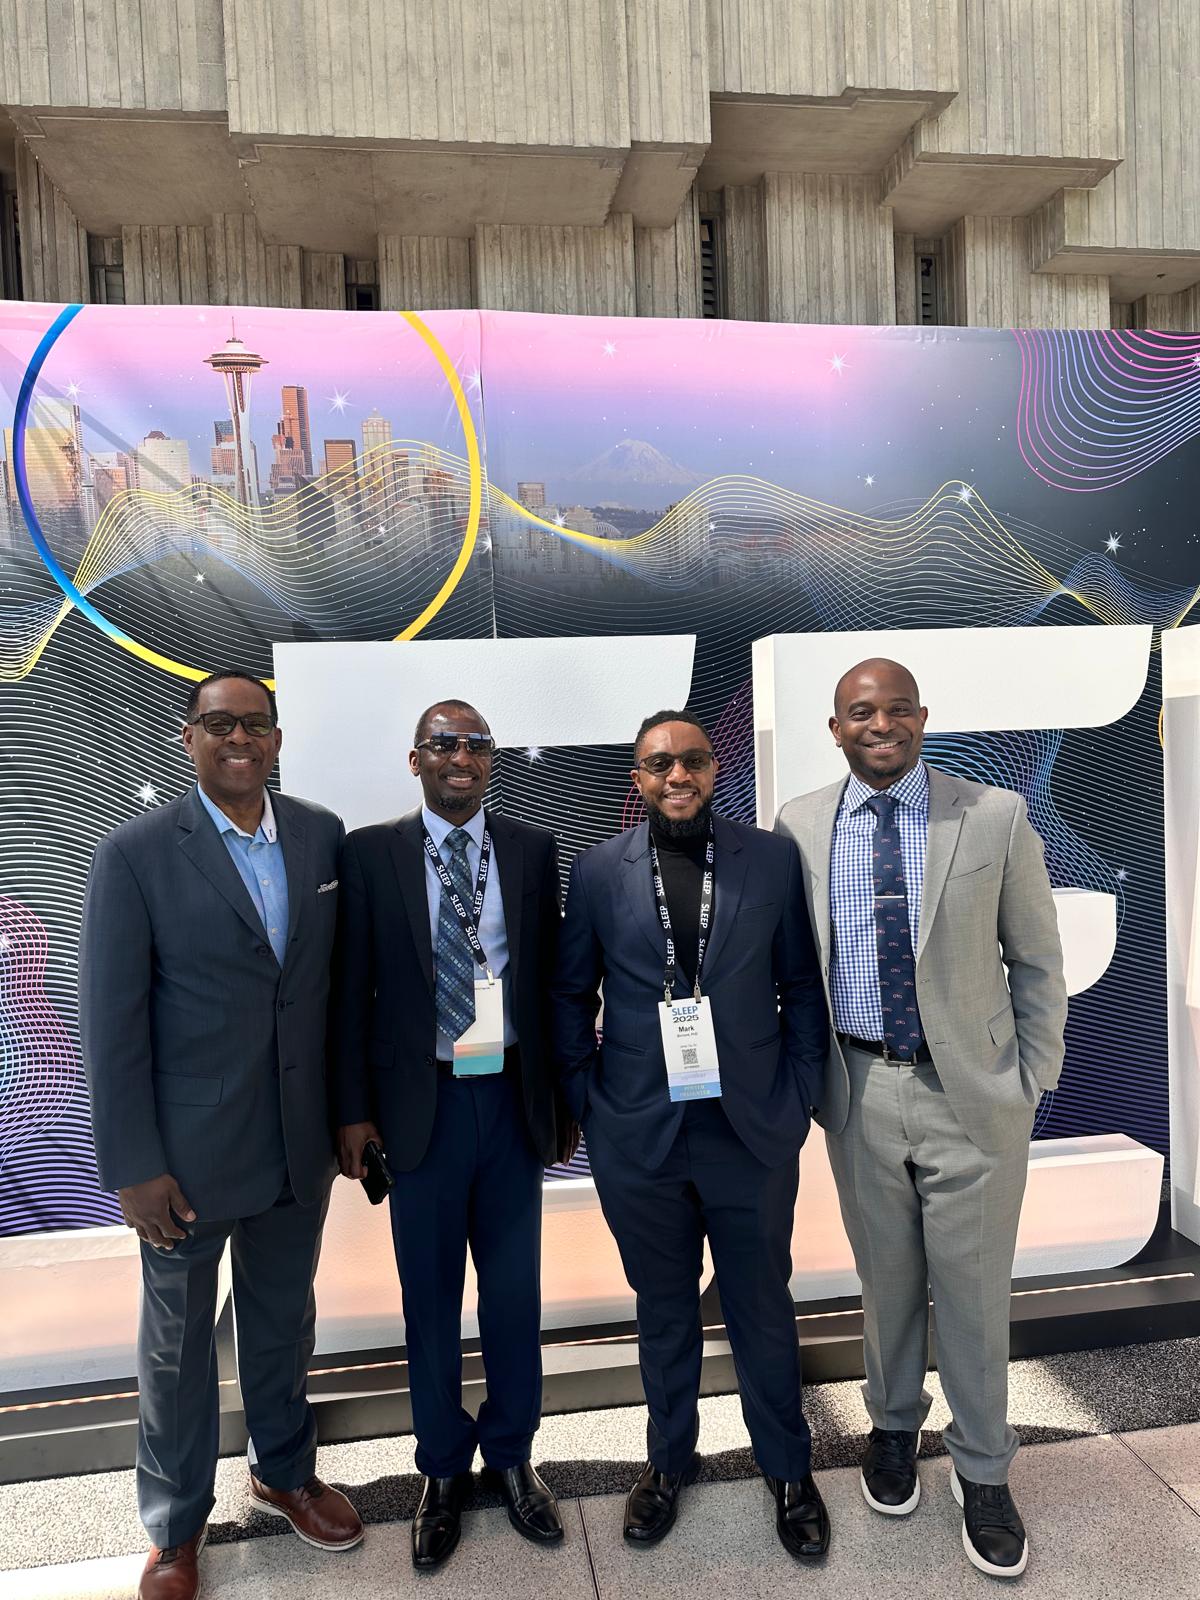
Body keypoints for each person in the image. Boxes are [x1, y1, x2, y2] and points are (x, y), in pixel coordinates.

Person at [775, 657, 1068, 1581]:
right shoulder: (798, 825)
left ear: (923, 717)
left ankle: (983, 1470)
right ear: (835, 728)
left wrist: (1030, 1080)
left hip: (971, 1096)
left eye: (898, 709)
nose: (882, 724)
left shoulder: (993, 815)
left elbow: (1037, 961)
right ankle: (893, 1430)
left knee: (974, 1296)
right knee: (888, 1281)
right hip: (858, 1090)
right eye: (862, 712)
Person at [79, 670, 362, 1600]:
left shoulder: (321, 835)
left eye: (256, 725)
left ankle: (284, 1472)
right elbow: (111, 1022)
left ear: (277, 738)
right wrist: (133, 1165)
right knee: (176, 1350)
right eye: (220, 724)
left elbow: (331, 996)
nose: (240, 739)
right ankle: (173, 1526)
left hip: (295, 1147)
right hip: (185, 1163)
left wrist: (347, 1114)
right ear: (190, 737)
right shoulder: (135, 854)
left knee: (282, 1320)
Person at [552, 709, 830, 1562]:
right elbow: (571, 994)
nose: (679, 775)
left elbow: (800, 986)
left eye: (695, 760)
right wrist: (588, 1101)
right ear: (637, 778)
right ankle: (669, 1461)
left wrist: (799, 1096)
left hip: (750, 1130)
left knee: (762, 1306)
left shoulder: (771, 859)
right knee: (663, 1308)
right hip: (640, 1132)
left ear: (714, 769)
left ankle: (788, 1468)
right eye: (659, 763)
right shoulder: (597, 871)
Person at [331, 700, 572, 1571]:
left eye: (476, 744)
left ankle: (511, 1456)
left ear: (491, 759)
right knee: (428, 1301)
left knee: (514, 1296)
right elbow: (349, 990)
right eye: (443, 743)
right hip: (418, 1106)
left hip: (508, 1101)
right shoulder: (371, 852)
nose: (460, 756)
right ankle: (440, 1468)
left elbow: (551, 982)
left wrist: (563, 1101)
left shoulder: (532, 849)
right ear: (415, 760)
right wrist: (351, 1112)